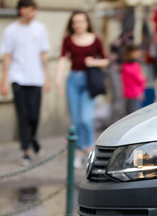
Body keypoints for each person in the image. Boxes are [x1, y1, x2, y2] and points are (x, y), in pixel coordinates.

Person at [0, 0, 51, 166]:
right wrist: (3, 80)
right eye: (31, 9)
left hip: (35, 78)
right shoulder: (10, 30)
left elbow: (44, 54)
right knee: (22, 115)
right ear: (22, 10)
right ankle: (26, 150)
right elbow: (7, 56)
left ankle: (33, 136)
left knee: (34, 116)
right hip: (18, 78)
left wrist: (48, 77)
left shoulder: (40, 28)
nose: (34, 13)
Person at [55, 11, 108, 168]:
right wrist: (58, 79)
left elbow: (105, 60)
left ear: (87, 23)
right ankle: (78, 153)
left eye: (81, 21)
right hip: (72, 80)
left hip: (88, 81)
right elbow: (63, 58)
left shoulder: (95, 39)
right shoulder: (68, 40)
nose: (78, 25)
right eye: (75, 22)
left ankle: (89, 150)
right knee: (76, 120)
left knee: (86, 118)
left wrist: (93, 62)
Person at [121, 44, 147, 115]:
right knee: (135, 114)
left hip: (130, 94)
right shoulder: (133, 66)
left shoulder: (125, 66)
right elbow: (141, 79)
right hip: (134, 94)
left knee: (130, 113)